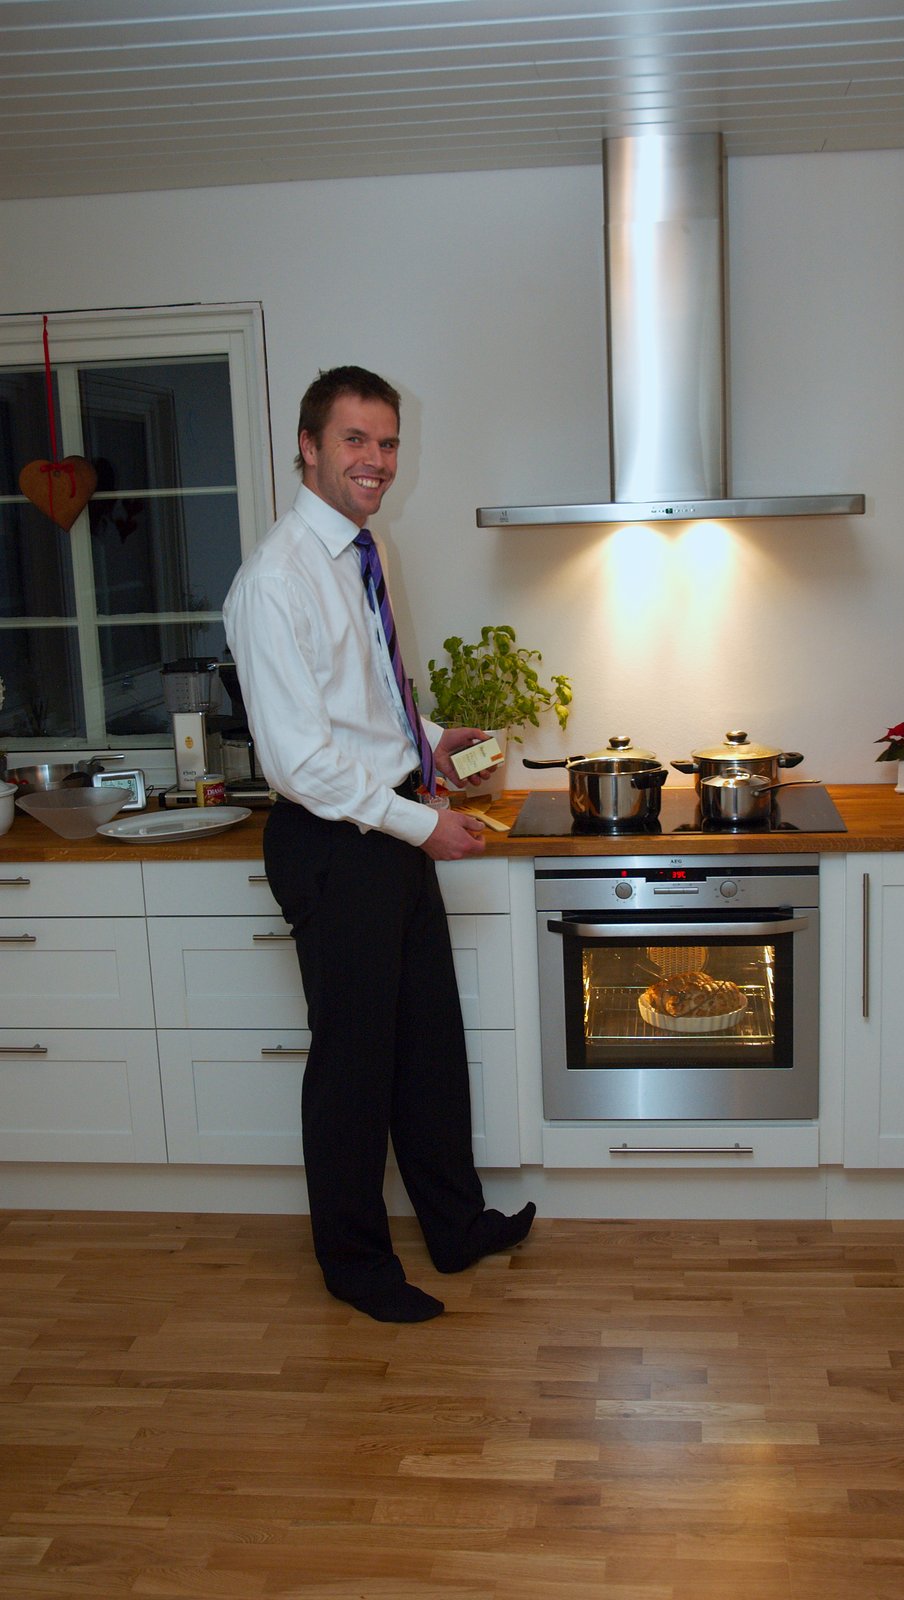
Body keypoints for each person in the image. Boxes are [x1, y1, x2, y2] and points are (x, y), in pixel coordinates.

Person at [222, 364, 534, 1323]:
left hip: (387, 824)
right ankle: (354, 1264)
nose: (376, 460)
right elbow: (300, 763)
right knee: (354, 1067)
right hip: (333, 842)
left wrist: (428, 738)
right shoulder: (273, 582)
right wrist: (423, 823)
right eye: (354, 439)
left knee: (427, 1046)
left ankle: (454, 1225)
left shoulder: (365, 549)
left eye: (388, 441)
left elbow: (363, 695)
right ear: (308, 448)